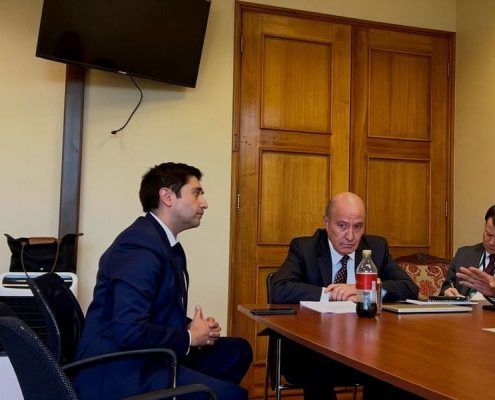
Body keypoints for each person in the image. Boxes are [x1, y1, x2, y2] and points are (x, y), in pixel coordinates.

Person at [72, 162, 252, 400]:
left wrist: (195, 328)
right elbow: (129, 330)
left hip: (147, 355)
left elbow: (155, 310)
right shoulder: (139, 246)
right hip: (122, 370)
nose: (204, 203)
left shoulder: (159, 240)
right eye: (196, 193)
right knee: (232, 395)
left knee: (237, 351)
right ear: (167, 197)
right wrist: (190, 337)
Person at [271, 192, 419, 400]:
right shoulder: (305, 248)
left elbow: (410, 288)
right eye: (342, 226)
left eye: (358, 227)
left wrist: (366, 288)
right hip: (313, 348)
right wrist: (332, 294)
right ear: (326, 223)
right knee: (316, 368)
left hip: (366, 348)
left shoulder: (376, 248)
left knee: (396, 366)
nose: (350, 236)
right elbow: (279, 288)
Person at [440, 205, 495, 299]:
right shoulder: (463, 254)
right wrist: (447, 291)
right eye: (489, 234)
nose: (492, 242)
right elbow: (447, 285)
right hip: (463, 308)